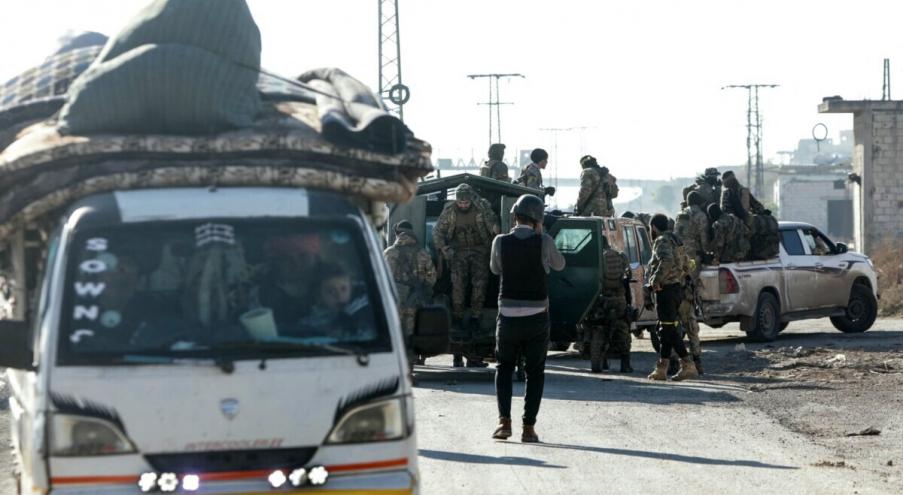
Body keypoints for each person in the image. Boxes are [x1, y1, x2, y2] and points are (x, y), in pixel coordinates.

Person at [490, 194, 565, 442]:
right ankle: (528, 428)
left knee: (503, 368)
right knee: (535, 372)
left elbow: (495, 269)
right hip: (536, 319)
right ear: (538, 219)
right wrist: (542, 237)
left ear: (515, 216)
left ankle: (504, 423)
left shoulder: (500, 241)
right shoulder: (544, 241)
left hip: (508, 317)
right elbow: (560, 265)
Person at [432, 183, 500, 367]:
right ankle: (458, 317)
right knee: (458, 283)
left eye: (466, 202)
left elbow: (493, 224)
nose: (463, 205)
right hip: (458, 250)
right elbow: (438, 231)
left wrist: (496, 231)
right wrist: (442, 247)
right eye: (460, 202)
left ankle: (476, 317)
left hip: (480, 250)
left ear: (471, 199)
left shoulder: (482, 207)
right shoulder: (449, 210)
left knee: (480, 283)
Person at [646, 214, 698, 381]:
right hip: (676, 289)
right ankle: (662, 369)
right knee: (665, 329)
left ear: (654, 227)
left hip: (666, 290)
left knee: (668, 330)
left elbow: (666, 260)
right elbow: (687, 264)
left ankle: (688, 364)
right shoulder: (677, 241)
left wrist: (656, 280)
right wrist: (677, 277)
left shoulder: (662, 241)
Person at [384, 220, 437, 366]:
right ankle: (411, 360)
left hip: (394, 298)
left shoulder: (389, 252)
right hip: (414, 299)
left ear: (397, 234)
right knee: (412, 330)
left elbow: (380, 277)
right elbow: (432, 276)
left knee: (393, 329)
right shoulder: (422, 253)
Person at [583, 236, 633, 373]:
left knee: (591, 324)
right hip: (618, 299)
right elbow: (628, 277)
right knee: (623, 327)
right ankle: (625, 363)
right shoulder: (621, 256)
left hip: (600, 299)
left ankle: (598, 356)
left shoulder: (595, 259)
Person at [674, 191, 709, 373]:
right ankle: (697, 362)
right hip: (693, 257)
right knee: (691, 291)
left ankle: (673, 361)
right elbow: (703, 237)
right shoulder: (700, 215)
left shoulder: (680, 215)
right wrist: (707, 252)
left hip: (679, 259)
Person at [297, 262, 374, 340]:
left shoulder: (363, 312)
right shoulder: (310, 324)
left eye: (343, 289)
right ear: (319, 296)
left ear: (351, 289)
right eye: (331, 291)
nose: (339, 296)